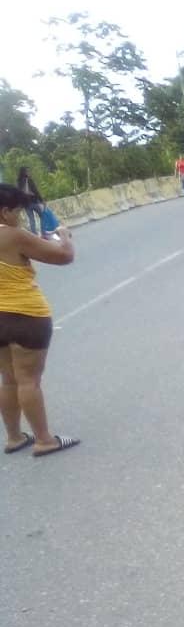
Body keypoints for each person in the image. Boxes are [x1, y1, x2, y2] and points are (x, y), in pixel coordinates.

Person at [0, 183, 79, 457]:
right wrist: (64, 237)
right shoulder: (13, 235)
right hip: (25, 316)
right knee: (28, 380)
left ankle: (13, 437)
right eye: (18, 212)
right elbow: (63, 256)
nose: (20, 217)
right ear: (5, 212)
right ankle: (45, 440)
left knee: (8, 379)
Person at [15, 168, 44, 236]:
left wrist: (20, 204)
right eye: (28, 171)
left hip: (26, 203)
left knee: (31, 219)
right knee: (42, 216)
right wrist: (41, 200)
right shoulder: (29, 180)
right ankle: (44, 231)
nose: (29, 172)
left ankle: (34, 234)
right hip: (33, 201)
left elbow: (18, 193)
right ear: (25, 172)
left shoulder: (19, 182)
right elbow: (35, 190)